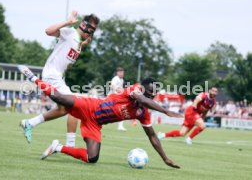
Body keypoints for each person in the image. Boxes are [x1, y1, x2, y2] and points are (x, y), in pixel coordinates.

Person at [18, 66, 181, 168]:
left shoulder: (142, 113)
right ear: (142, 88)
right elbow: (141, 99)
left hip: (95, 124)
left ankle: (58, 147)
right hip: (90, 106)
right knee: (60, 98)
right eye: (150, 92)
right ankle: (32, 77)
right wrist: (166, 111)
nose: (152, 96)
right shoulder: (135, 90)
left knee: (92, 158)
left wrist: (165, 159)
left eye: (154, 94)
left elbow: (152, 136)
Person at [19, 11, 100, 147]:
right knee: (75, 105)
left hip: (57, 78)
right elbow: (48, 31)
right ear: (83, 25)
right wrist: (68, 21)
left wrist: (83, 44)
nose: (91, 33)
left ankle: (30, 123)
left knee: (64, 109)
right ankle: (70, 146)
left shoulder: (78, 41)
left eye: (93, 31)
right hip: (52, 75)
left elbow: (70, 50)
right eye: (90, 29)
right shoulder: (70, 33)